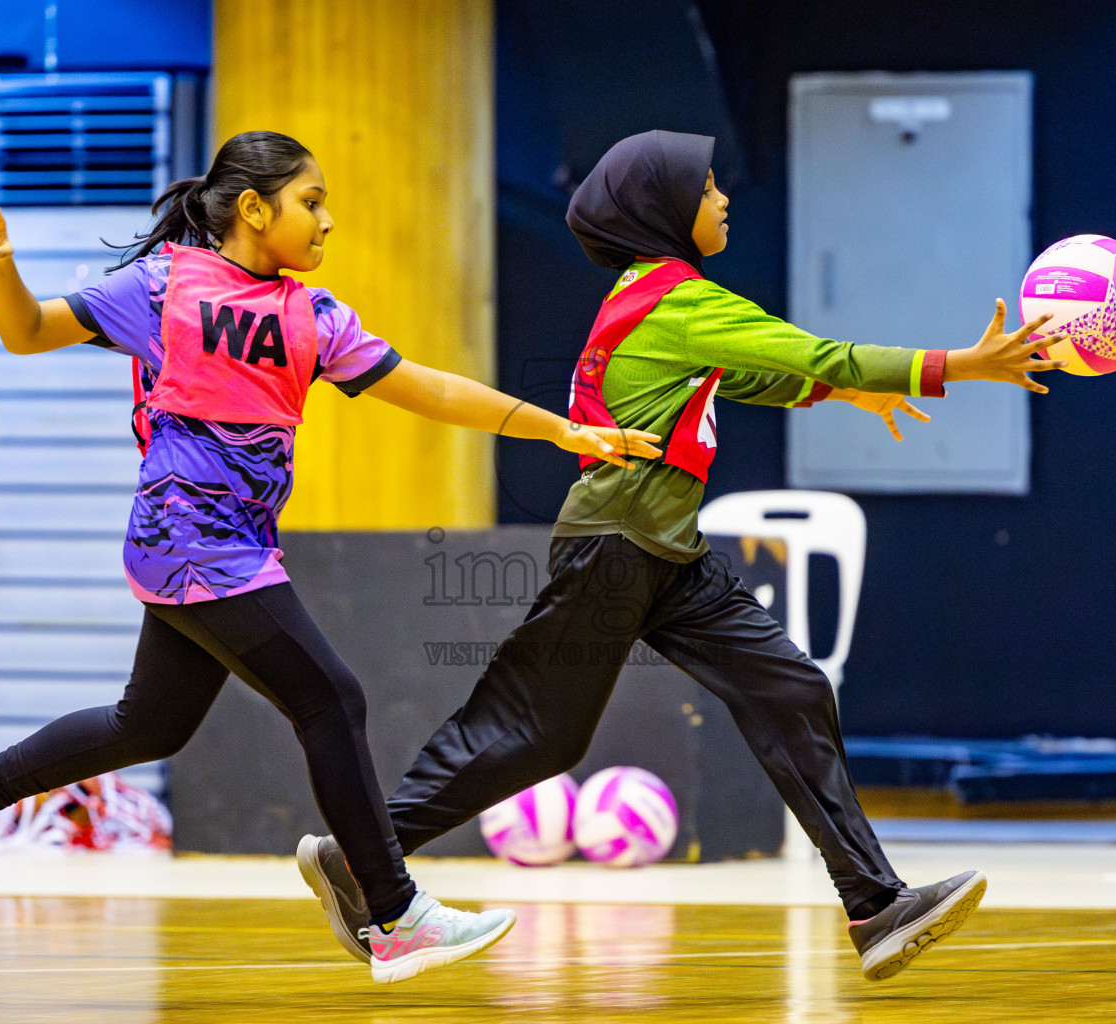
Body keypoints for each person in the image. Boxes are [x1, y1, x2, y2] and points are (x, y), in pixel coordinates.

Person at [297, 129, 1068, 982]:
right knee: (530, 733)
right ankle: (360, 858)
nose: (724, 199)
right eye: (707, 189)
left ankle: (876, 905)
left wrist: (846, 388)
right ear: (664, 212)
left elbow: (754, 376)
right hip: (614, 548)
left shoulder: (654, 301)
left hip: (665, 553)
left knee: (791, 687)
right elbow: (811, 353)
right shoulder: (675, 301)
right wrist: (963, 365)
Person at [0, 130, 660, 986]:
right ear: (255, 209)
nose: (328, 220)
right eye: (312, 202)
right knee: (331, 699)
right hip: (189, 540)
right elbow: (27, 329)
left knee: (149, 725)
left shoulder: (314, 316)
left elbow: (431, 388)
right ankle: (392, 913)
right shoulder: (164, 287)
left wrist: (559, 427)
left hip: (234, 548)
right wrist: (0, 263)